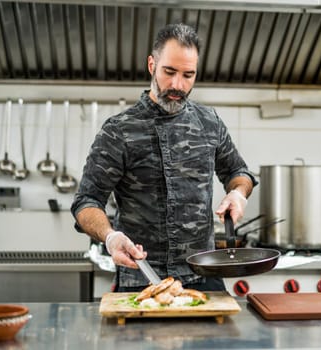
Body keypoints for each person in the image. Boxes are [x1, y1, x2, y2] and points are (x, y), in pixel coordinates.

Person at [71, 23, 257, 293]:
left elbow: (238, 172)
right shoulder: (119, 130)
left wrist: (238, 193)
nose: (177, 85)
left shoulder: (209, 122)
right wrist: (110, 237)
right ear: (151, 64)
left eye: (188, 75)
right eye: (169, 72)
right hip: (141, 278)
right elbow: (86, 201)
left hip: (203, 276)